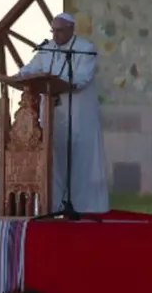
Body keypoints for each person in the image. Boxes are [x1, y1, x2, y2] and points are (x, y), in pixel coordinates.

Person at [18, 12, 109, 213]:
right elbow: (30, 69)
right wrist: (19, 76)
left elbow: (82, 79)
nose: (55, 35)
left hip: (78, 115)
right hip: (52, 116)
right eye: (53, 31)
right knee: (53, 161)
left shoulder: (85, 49)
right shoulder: (47, 49)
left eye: (59, 31)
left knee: (79, 162)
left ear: (71, 29)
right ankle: (53, 206)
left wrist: (57, 82)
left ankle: (83, 207)